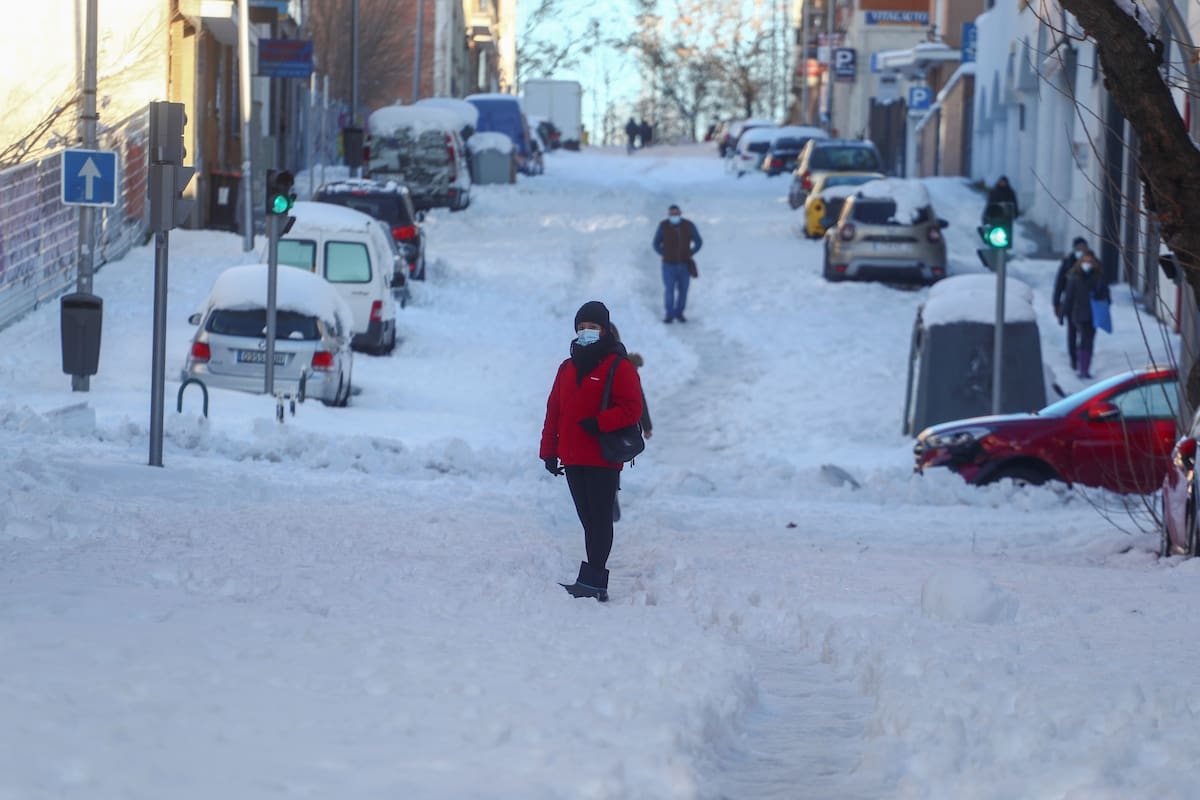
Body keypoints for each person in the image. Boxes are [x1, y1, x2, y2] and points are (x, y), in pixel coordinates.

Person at [540, 301, 644, 602]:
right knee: (587, 519)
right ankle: (592, 579)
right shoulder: (567, 367)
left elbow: (632, 409)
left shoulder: (618, 366)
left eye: (593, 327)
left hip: (602, 457)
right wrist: (549, 450)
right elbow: (554, 410)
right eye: (582, 327)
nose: (586, 332)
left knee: (599, 519)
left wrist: (599, 423)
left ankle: (594, 580)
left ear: (604, 330)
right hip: (572, 457)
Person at [1061, 251, 1110, 379]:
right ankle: (1082, 367)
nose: (1087, 264)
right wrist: (1062, 315)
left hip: (1095, 314)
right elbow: (1068, 298)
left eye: (1089, 262)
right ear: (1080, 263)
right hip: (1079, 313)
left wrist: (1101, 296)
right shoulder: (1074, 278)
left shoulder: (1098, 277)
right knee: (1084, 338)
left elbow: (1107, 296)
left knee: (1090, 340)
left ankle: (1085, 367)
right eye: (1085, 261)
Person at [652, 204, 703, 323]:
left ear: (680, 213)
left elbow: (698, 241)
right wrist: (664, 253)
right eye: (672, 214)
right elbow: (656, 243)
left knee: (683, 290)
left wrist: (691, 252)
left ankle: (680, 313)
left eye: (676, 213)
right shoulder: (663, 226)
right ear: (669, 215)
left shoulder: (688, 225)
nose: (674, 216)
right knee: (669, 290)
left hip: (685, 264)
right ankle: (669, 314)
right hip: (668, 265)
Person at [1053, 237, 1089, 370]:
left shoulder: (1091, 262)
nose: (1081, 250)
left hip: (1087, 304)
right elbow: (1059, 284)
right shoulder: (1068, 263)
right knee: (1072, 332)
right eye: (1078, 248)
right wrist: (1056, 303)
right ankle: (1074, 359)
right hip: (1071, 303)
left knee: (1086, 333)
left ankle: (1083, 356)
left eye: (1083, 247)